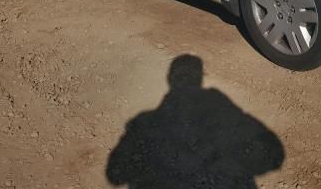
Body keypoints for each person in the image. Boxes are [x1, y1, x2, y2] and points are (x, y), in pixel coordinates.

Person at [106, 55, 284, 188]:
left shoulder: (143, 123)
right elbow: (274, 154)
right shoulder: (223, 110)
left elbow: (115, 175)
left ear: (170, 79)